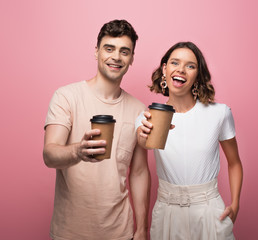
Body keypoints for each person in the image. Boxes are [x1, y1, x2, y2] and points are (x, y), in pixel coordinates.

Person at [43, 19, 150, 240]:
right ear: (96, 52)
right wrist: (78, 151)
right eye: (109, 49)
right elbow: (50, 154)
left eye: (124, 51)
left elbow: (139, 172)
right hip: (69, 232)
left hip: (120, 232)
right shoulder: (66, 97)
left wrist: (141, 229)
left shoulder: (139, 110)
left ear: (131, 59)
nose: (116, 57)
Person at [136, 42, 243, 239]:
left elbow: (235, 162)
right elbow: (143, 143)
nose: (181, 70)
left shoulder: (219, 113)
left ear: (198, 75)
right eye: (175, 62)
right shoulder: (149, 117)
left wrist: (235, 203)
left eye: (190, 66)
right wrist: (143, 135)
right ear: (164, 69)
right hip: (167, 211)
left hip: (209, 209)